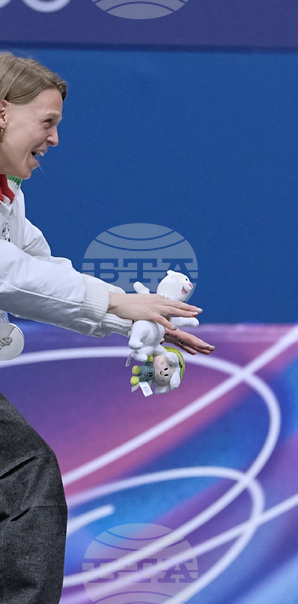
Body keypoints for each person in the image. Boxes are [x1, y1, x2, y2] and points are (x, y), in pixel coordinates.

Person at [0, 53, 213, 603]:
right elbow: (9, 271)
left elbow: (42, 274)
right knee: (27, 477)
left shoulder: (8, 197)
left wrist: (139, 323)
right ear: (2, 113)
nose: (53, 140)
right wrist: (120, 300)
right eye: (46, 122)